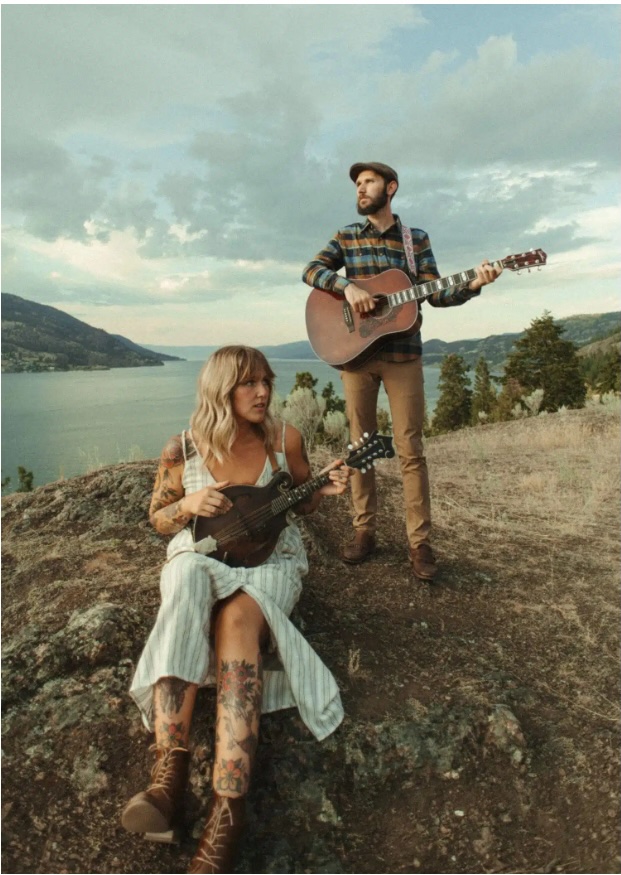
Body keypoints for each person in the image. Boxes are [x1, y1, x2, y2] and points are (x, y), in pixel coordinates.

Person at [121, 345, 351, 874]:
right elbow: (158, 518)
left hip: (269, 559)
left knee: (237, 623)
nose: (263, 392)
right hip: (202, 552)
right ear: (220, 389)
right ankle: (167, 782)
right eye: (248, 384)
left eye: (266, 381)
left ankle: (227, 815)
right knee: (182, 579)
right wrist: (187, 505)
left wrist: (326, 488)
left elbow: (301, 498)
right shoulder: (182, 448)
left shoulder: (283, 439)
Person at [302, 161, 502, 580]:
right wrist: (348, 287)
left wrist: (473, 284)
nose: (360, 188)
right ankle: (364, 530)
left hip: (404, 357)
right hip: (356, 357)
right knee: (360, 448)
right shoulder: (346, 236)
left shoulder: (416, 240)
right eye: (357, 183)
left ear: (390, 188)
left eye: (369, 182)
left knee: (411, 451)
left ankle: (419, 543)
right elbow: (311, 271)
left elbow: (436, 293)